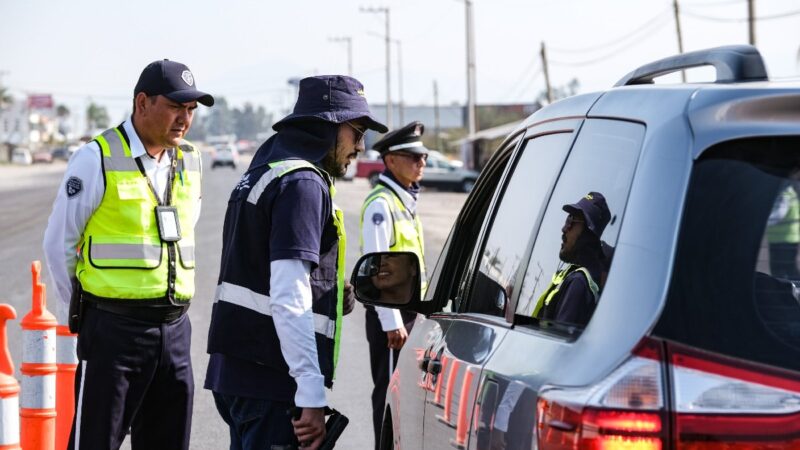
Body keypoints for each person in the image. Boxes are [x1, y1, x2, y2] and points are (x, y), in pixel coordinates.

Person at [205, 75, 386, 450]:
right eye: (357, 132)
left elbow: (259, 269)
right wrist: (310, 392)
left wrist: (332, 293)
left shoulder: (267, 168)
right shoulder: (302, 182)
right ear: (329, 126)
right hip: (272, 380)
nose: (361, 146)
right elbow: (289, 293)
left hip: (238, 374)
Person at [42, 59, 214, 450]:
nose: (184, 119)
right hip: (114, 333)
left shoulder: (190, 160)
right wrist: (83, 315)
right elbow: (58, 244)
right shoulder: (96, 158)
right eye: (175, 107)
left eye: (190, 110)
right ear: (142, 103)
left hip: (174, 333)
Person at [359, 121, 428, 448]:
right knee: (388, 395)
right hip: (393, 321)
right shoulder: (381, 204)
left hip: (408, 316)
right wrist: (392, 323)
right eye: (413, 157)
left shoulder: (404, 201)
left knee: (404, 398)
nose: (421, 163)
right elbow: (379, 268)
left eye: (423, 157)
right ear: (389, 161)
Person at [532, 192, 611, 327]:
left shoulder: (578, 283)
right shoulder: (580, 278)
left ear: (588, 233)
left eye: (571, 221)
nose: (564, 229)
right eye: (567, 219)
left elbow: (556, 344)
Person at [767, 185, 800, 280]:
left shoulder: (784, 194)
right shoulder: (790, 193)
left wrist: (762, 221)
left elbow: (777, 215)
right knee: (787, 268)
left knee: (779, 269)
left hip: (782, 237)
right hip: (786, 237)